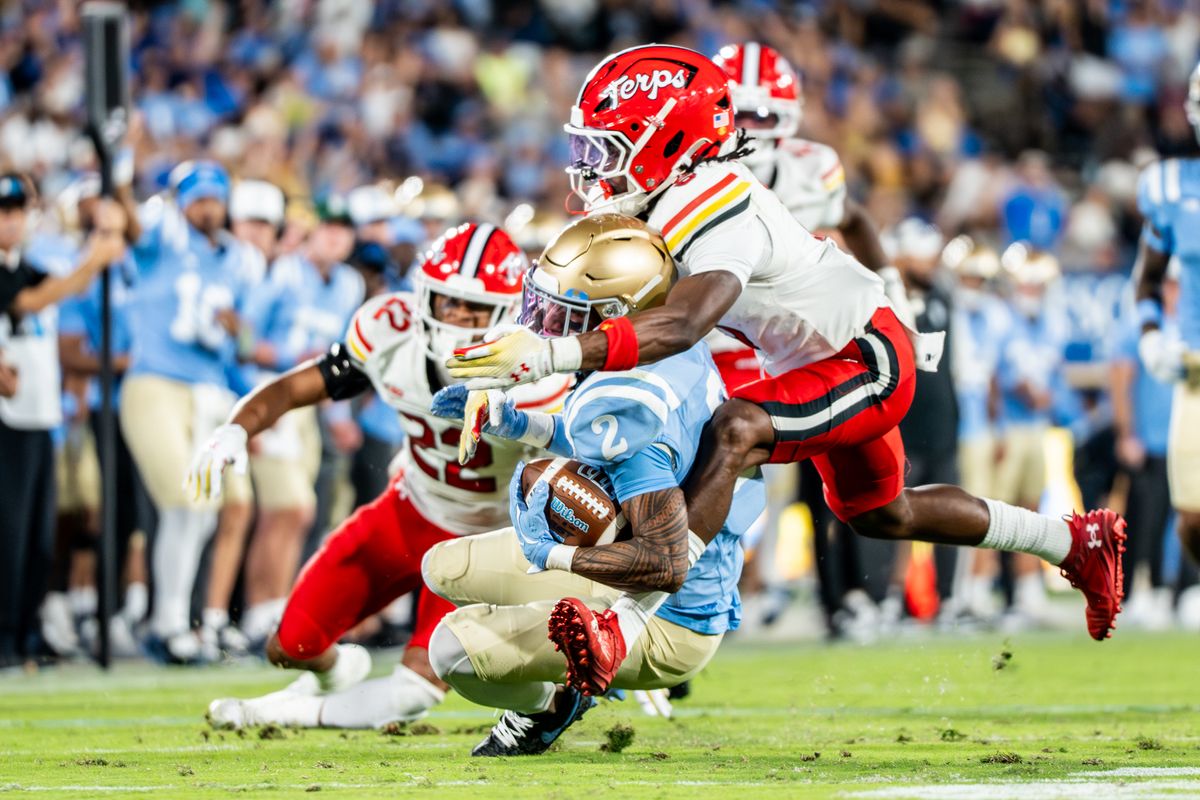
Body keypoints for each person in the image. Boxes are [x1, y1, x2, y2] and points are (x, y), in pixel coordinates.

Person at [447, 46, 1126, 691]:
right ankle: (1071, 540)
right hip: (816, 357)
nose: (593, 166)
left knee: (735, 429)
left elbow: (683, 322)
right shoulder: (664, 195)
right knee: (882, 514)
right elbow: (589, 294)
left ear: (668, 143)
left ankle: (625, 625)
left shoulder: (713, 201)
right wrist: (516, 364)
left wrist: (551, 356)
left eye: (608, 147)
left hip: (863, 355)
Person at [193, 224, 570, 729]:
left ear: (507, 312)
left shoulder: (538, 373)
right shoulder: (391, 335)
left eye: (473, 309)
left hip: (486, 540)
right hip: (408, 510)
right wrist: (236, 429)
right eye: (447, 303)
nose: (458, 319)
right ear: (421, 299)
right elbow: (291, 388)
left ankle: (276, 713)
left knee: (416, 686)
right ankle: (336, 674)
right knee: (291, 644)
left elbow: (579, 468)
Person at [423, 214, 764, 755]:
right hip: (632, 562)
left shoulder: (630, 406)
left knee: (452, 652)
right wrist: (515, 421)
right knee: (441, 567)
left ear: (614, 314)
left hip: (666, 618)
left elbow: (664, 564)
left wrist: (549, 553)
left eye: (565, 312)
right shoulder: (665, 343)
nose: (549, 324)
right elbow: (608, 449)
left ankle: (552, 706)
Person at [120, 160, 259, 663]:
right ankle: (169, 623)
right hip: (155, 382)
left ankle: (180, 623)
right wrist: (119, 170)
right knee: (185, 502)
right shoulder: (164, 238)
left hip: (211, 391)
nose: (205, 207)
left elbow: (246, 341)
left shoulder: (240, 259)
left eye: (212, 198)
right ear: (181, 203)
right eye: (196, 199)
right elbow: (130, 226)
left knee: (206, 511)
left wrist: (236, 327)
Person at [0, 173, 127, 666]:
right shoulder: (12, 277)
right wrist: (92, 259)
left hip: (39, 413)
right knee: (9, 533)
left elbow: (56, 290)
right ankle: (6, 637)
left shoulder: (27, 267)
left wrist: (100, 248)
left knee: (36, 536)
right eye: (4, 212)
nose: (11, 221)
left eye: (17, 211)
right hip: (8, 417)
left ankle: (26, 632)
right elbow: (31, 301)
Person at [235, 197, 363, 650]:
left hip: (310, 409)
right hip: (272, 394)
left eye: (344, 229)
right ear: (311, 232)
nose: (335, 236)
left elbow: (341, 361)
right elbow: (244, 337)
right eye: (327, 226)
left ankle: (271, 606)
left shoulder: (348, 284)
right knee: (287, 508)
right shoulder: (286, 271)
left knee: (297, 512)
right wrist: (288, 363)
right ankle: (256, 610)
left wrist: (339, 414)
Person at [1133, 63, 1200, 570]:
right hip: (1196, 369)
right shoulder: (1171, 188)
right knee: (1194, 515)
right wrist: (1151, 336)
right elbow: (1147, 280)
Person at [1112, 258, 1181, 628]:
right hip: (1150, 439)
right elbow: (1120, 378)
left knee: (1183, 517)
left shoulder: (1188, 325)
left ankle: (1180, 590)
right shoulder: (1140, 324)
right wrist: (1127, 432)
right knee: (1145, 520)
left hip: (1184, 440)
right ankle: (1142, 590)